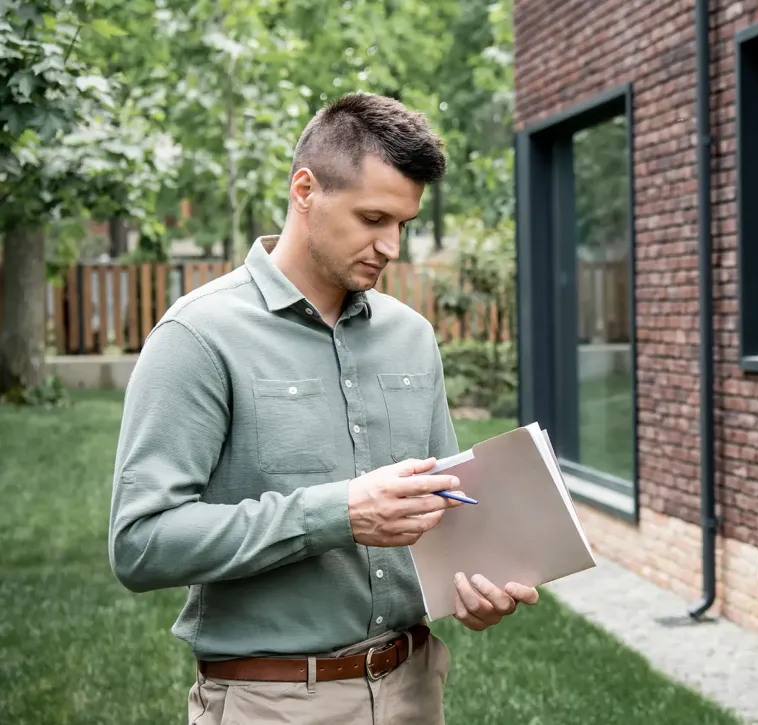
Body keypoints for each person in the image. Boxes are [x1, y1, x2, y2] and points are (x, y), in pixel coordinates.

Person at [106, 92, 538, 725]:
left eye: (404, 225)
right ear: (305, 190)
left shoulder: (412, 335)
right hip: (272, 704)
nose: (391, 246)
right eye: (372, 218)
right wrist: (337, 513)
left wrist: (475, 586)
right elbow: (141, 545)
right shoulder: (198, 337)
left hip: (415, 691)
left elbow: (448, 510)